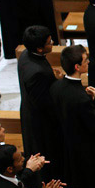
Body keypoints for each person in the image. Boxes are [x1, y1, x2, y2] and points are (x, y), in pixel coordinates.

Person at [50, 45, 95, 188]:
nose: (88, 62)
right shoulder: (81, 98)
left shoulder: (56, 87)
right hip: (86, 149)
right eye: (85, 60)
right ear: (77, 66)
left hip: (65, 142)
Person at [18, 25, 62, 179]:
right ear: (39, 48)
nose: (53, 43)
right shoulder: (37, 72)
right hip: (41, 121)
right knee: (46, 151)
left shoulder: (25, 55)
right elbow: (44, 103)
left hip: (29, 108)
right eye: (49, 42)